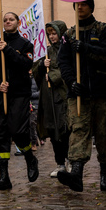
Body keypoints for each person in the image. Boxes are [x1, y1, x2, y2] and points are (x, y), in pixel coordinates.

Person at [57, 0, 106, 193]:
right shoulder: (68, 34)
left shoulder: (103, 30)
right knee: (78, 130)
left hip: (103, 92)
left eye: (84, 4)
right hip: (78, 93)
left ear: (91, 6)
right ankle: (76, 173)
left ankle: (105, 174)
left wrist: (85, 49)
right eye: (77, 4)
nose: (80, 7)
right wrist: (71, 82)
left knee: (104, 132)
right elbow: (63, 62)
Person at [0, 12, 39, 190]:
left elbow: (26, 64)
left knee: (18, 130)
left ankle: (30, 159)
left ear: (18, 22)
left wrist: (7, 50)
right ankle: (4, 176)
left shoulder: (25, 45)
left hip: (19, 95)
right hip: (0, 95)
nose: (8, 22)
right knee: (0, 134)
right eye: (5, 20)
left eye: (11, 19)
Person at [32, 20, 70, 178]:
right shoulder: (45, 51)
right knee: (53, 130)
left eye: (54, 33)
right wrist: (41, 65)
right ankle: (60, 163)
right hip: (48, 98)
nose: (52, 36)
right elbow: (35, 71)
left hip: (63, 96)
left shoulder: (67, 50)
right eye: (50, 34)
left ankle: (69, 160)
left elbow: (70, 70)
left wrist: (53, 75)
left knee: (64, 129)